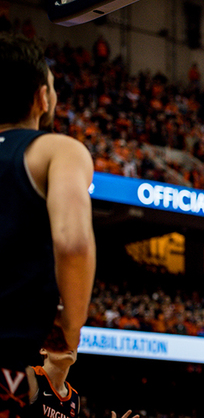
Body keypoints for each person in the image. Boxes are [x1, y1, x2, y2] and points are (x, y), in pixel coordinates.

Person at [1, 33, 96, 418]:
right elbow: (73, 244)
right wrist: (69, 328)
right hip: (8, 370)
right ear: (43, 98)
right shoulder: (58, 149)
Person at [25, 325, 140, 418]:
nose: (69, 344)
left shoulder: (74, 399)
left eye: (73, 341)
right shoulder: (31, 376)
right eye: (61, 338)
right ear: (43, 349)